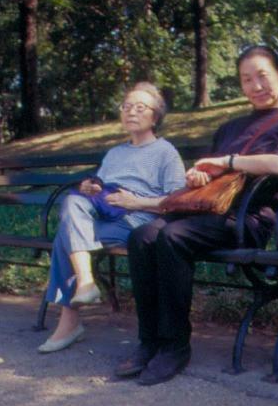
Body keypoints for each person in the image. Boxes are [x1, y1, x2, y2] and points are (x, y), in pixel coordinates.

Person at [119, 45, 278, 385]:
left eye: (263, 76)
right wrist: (200, 175)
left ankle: (175, 347)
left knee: (171, 236)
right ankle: (149, 342)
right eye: (247, 79)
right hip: (210, 212)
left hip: (248, 220)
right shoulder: (229, 128)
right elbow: (210, 178)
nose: (256, 86)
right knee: (143, 236)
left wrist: (228, 162)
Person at [37, 82, 186, 354]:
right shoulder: (115, 153)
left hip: (136, 222)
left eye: (140, 107)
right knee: (73, 201)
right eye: (126, 107)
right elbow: (100, 187)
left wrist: (137, 201)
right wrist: (91, 188)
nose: (131, 112)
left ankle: (70, 321)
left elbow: (177, 202)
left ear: (155, 116)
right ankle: (85, 283)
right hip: (104, 214)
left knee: (65, 237)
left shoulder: (166, 153)